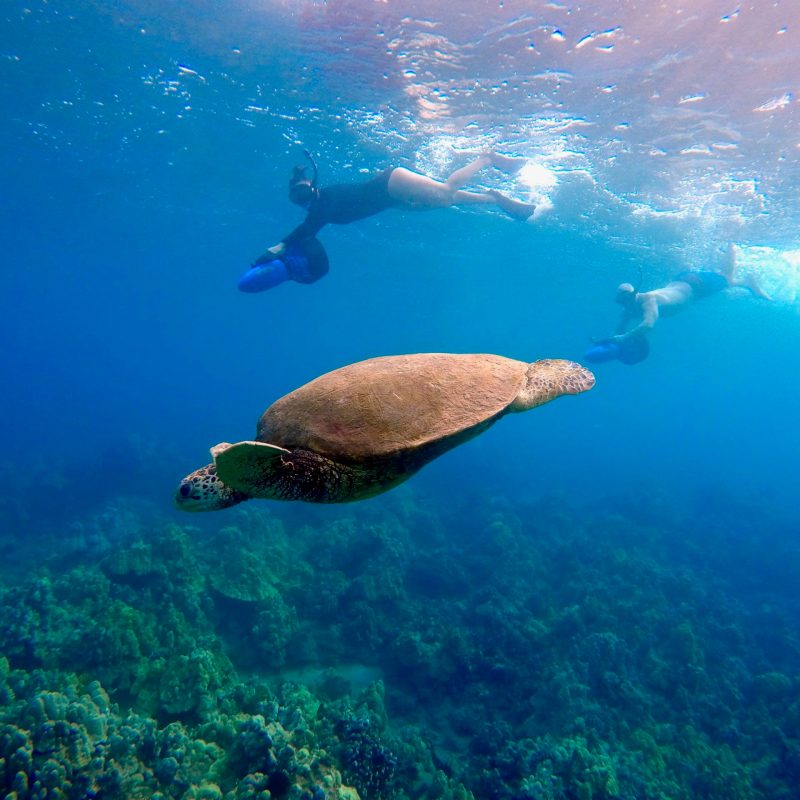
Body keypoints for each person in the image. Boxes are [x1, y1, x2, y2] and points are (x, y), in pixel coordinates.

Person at [253, 150, 535, 266]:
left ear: (313, 188)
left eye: (304, 192)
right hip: (392, 200)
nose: (303, 200)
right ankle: (494, 199)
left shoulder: (324, 201)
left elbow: (310, 226)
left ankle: (487, 158)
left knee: (446, 193)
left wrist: (279, 247)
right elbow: (311, 225)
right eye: (297, 199)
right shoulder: (320, 208)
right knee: (444, 202)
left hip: (391, 183)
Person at [586, 244, 772, 364]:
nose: (624, 306)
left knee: (727, 278)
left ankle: (736, 252)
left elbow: (648, 324)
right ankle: (741, 273)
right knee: (724, 280)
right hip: (684, 285)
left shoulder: (648, 301)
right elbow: (619, 328)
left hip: (695, 286)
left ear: (633, 296)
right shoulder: (630, 309)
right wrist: (610, 340)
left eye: (625, 302)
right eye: (621, 303)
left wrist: (625, 337)